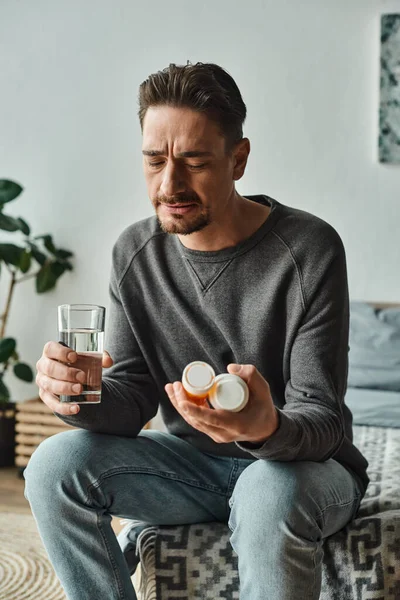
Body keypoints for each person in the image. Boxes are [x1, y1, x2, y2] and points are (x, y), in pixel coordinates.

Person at [25, 62, 369, 600]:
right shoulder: (134, 254)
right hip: (192, 469)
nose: (169, 184)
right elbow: (133, 395)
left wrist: (263, 427)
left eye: (193, 161)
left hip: (303, 471)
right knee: (53, 466)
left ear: (238, 159)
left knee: (264, 488)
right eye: (154, 161)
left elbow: (323, 420)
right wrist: (76, 396)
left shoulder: (309, 250)